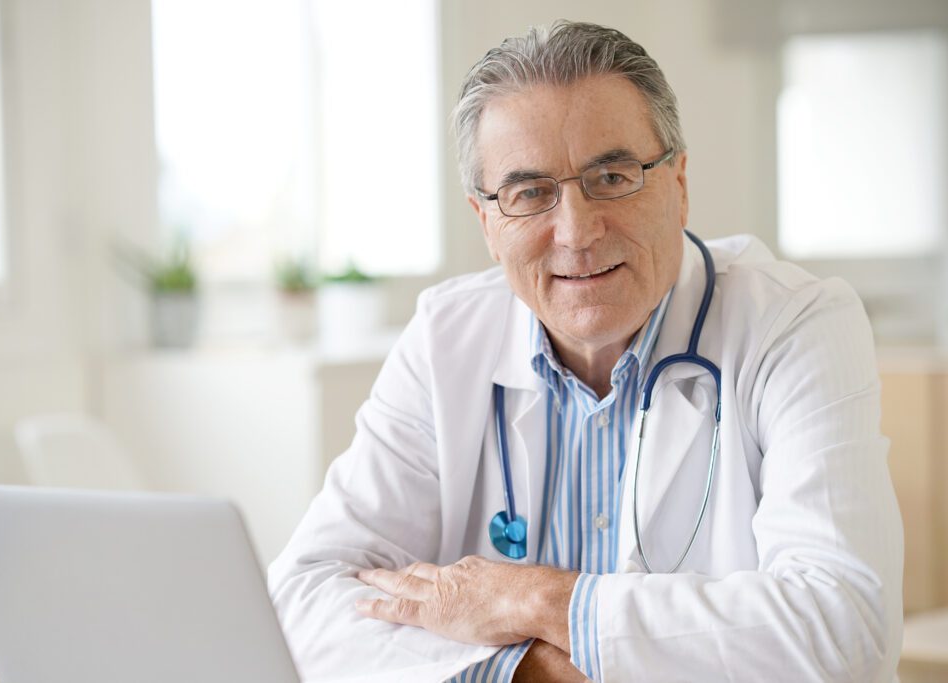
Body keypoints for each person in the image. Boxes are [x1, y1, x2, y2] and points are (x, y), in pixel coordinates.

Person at [268, 21, 903, 682]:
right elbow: (303, 599)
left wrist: (533, 599)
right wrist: (526, 671)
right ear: (487, 222)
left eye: (612, 176)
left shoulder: (794, 324)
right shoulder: (444, 339)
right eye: (530, 193)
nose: (576, 231)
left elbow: (844, 627)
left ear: (678, 183)